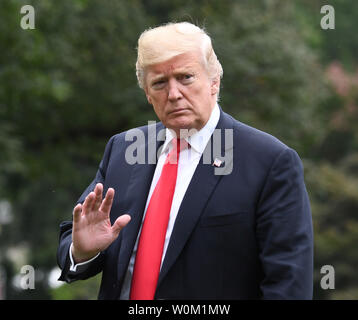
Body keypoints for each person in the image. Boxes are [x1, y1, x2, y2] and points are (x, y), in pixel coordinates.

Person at [57, 22, 313, 300]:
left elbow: (288, 286)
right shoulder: (124, 149)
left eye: (186, 77)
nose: (174, 94)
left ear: (214, 80)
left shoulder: (269, 162)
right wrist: (83, 251)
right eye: (160, 83)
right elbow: (75, 240)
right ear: (147, 93)